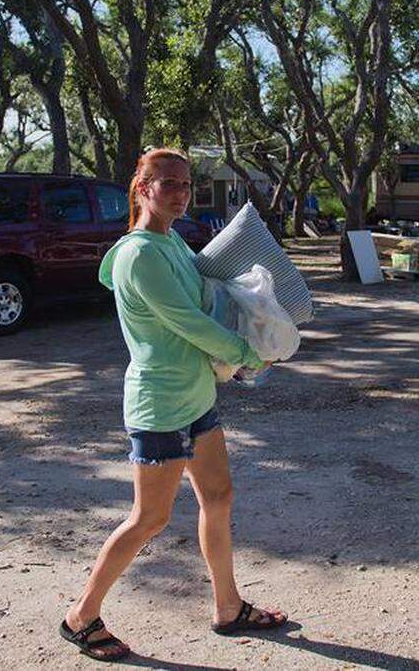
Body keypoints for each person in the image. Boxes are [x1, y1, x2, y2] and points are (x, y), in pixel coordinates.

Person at [59, 148, 287, 661]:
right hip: (160, 403)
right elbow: (190, 322)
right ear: (140, 188)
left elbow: (212, 293)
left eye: (186, 185)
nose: (180, 193)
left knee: (219, 497)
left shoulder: (175, 244)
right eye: (167, 184)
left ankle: (228, 607)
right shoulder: (140, 254)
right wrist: (249, 353)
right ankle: (81, 616)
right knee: (149, 519)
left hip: (196, 395)